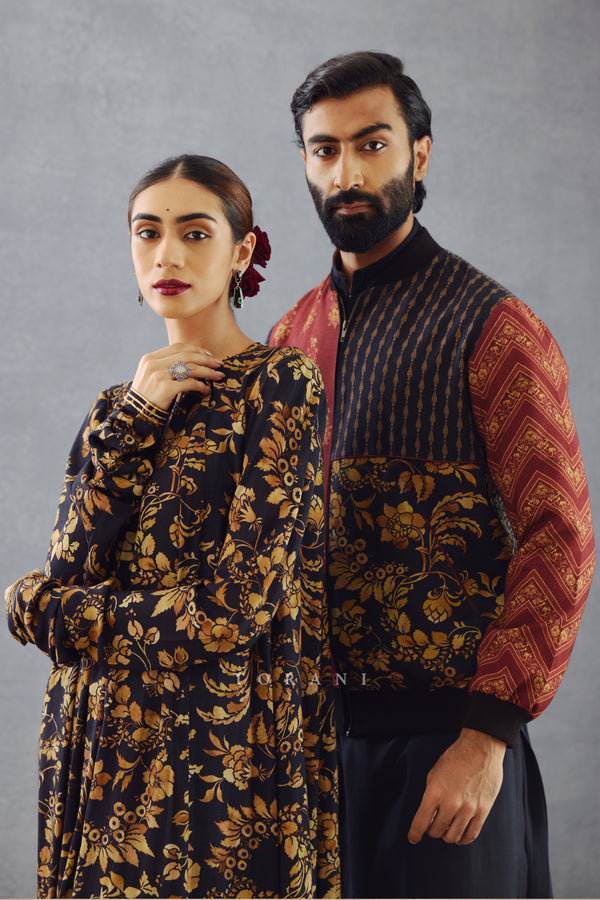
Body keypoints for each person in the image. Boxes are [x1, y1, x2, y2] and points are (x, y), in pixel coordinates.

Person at [269, 51, 595, 899]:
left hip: (450, 750)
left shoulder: (492, 326)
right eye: (324, 150)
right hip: (312, 759)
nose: (347, 173)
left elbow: (560, 538)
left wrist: (486, 738)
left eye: (371, 144)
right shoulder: (289, 337)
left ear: (418, 154)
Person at [5, 154, 340, 899]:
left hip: (218, 752)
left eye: (194, 233)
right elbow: (70, 566)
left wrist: (46, 609)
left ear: (242, 251)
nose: (167, 255)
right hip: (96, 751)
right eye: (147, 232)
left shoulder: (279, 385)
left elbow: (232, 612)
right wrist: (139, 413)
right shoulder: (115, 407)